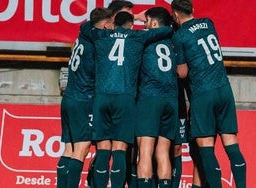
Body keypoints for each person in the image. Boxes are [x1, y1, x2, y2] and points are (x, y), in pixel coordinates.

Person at [83, 11, 173, 188]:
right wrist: (142, 24)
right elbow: (166, 31)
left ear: (113, 23)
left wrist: (107, 25)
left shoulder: (101, 35)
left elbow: (84, 27)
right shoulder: (137, 36)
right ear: (131, 25)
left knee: (102, 149)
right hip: (124, 98)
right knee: (119, 149)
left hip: (102, 97)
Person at [171, 0, 247, 187]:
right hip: (224, 89)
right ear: (193, 10)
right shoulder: (209, 22)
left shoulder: (180, 36)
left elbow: (182, 72)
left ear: (175, 15)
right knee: (231, 143)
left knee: (206, 148)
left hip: (203, 93)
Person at [56, 8, 113, 188]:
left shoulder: (83, 34)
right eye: (111, 24)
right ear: (105, 25)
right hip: (83, 100)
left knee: (69, 148)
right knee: (82, 148)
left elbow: (87, 25)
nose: (113, 28)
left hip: (68, 98)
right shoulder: (96, 45)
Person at [135, 7, 178, 188]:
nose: (144, 26)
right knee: (163, 152)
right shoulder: (173, 40)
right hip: (171, 99)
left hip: (150, 97)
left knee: (145, 152)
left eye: (146, 22)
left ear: (153, 23)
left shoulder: (145, 40)